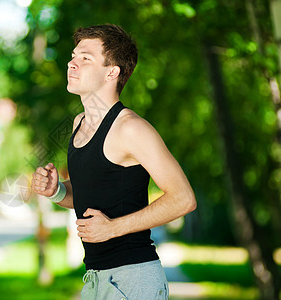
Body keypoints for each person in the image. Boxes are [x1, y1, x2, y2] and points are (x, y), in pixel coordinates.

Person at [31, 24, 196, 300]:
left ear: (112, 71)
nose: (72, 63)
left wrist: (113, 227)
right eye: (74, 56)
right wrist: (56, 190)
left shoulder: (130, 128)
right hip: (96, 279)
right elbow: (93, 192)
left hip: (134, 278)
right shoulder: (79, 124)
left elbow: (183, 199)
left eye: (86, 58)